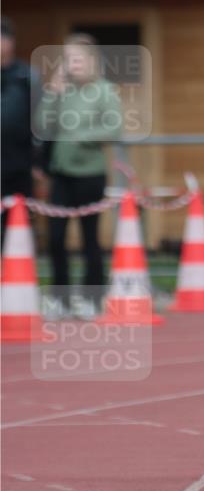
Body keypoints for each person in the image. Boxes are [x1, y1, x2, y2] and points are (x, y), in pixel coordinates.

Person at [34, 34, 123, 315]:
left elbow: (114, 128)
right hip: (62, 175)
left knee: (89, 239)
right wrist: (52, 93)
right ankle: (59, 298)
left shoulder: (105, 90)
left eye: (77, 59)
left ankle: (90, 299)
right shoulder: (63, 91)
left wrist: (81, 136)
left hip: (90, 174)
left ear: (91, 61)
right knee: (57, 238)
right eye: (68, 59)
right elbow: (41, 125)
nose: (72, 65)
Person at [1, 16, 42, 246]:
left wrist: (38, 161)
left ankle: (18, 278)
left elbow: (40, 121)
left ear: (11, 42)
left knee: (18, 227)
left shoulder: (27, 76)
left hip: (19, 165)